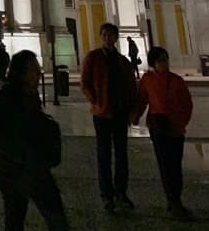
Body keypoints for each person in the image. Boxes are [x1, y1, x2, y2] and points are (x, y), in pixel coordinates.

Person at [0, 50, 67, 230]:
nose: (38, 74)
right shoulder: (9, 95)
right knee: (32, 215)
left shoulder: (29, 93)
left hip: (31, 166)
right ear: (22, 72)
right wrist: (14, 149)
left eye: (38, 70)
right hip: (19, 169)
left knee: (26, 216)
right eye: (34, 70)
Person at [132, 46, 193, 221]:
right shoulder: (148, 80)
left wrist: (181, 123)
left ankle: (175, 198)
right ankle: (173, 200)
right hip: (158, 128)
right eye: (160, 60)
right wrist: (135, 114)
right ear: (153, 63)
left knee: (175, 165)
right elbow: (142, 99)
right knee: (165, 165)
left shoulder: (177, 81)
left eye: (165, 60)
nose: (164, 63)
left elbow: (187, 104)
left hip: (176, 129)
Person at [81, 22, 137, 213]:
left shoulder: (123, 61)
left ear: (115, 38)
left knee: (122, 155)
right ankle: (107, 195)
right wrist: (95, 101)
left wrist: (131, 110)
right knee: (103, 154)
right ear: (101, 37)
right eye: (104, 35)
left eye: (111, 35)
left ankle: (121, 192)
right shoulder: (93, 57)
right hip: (102, 113)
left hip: (120, 113)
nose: (107, 38)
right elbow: (85, 83)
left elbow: (131, 87)